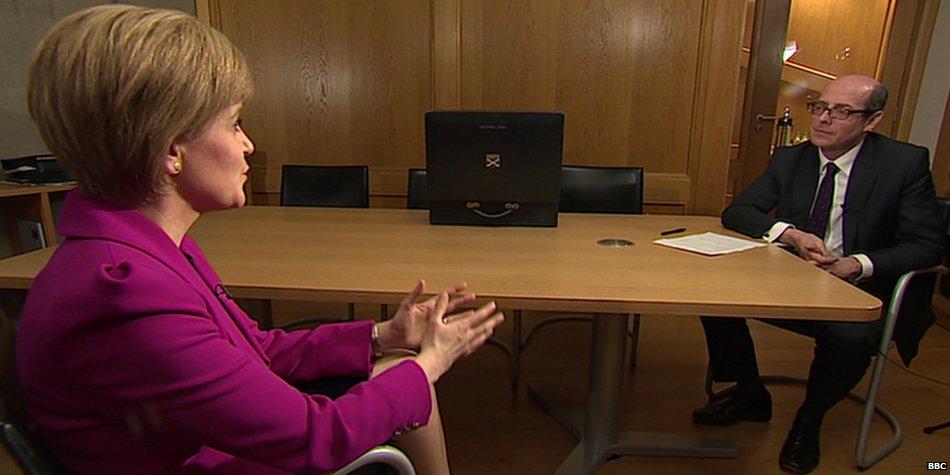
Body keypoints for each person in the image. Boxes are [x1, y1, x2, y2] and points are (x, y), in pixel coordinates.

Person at [16, 5, 504, 474]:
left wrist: (384, 336)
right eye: (234, 124)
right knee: (409, 377)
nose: (248, 144)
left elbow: (256, 350)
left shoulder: (141, 246)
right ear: (171, 149)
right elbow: (315, 439)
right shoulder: (124, 293)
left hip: (200, 441)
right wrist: (432, 363)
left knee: (396, 364)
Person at [693, 75, 943, 474]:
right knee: (711, 296)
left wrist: (856, 264)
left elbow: (927, 245)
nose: (824, 119)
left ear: (872, 120)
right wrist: (790, 234)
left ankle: (808, 423)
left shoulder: (903, 164)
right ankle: (751, 394)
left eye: (841, 111)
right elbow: (738, 211)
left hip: (863, 290)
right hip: (795, 280)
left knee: (850, 336)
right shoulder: (792, 159)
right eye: (820, 107)